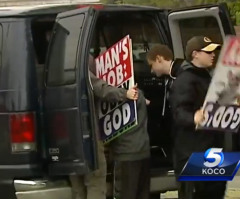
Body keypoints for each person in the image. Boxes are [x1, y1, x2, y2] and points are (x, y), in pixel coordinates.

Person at [69, 55, 138, 199]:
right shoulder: (81, 72)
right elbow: (101, 88)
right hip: (88, 137)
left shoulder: (60, 73)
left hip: (68, 141)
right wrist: (125, 93)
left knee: (77, 187)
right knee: (95, 181)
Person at [169, 36, 226, 199]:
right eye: (208, 51)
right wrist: (194, 117)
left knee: (215, 192)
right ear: (195, 54)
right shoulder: (185, 79)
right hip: (193, 153)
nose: (213, 54)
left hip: (213, 149)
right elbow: (179, 112)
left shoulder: (207, 77)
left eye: (214, 51)